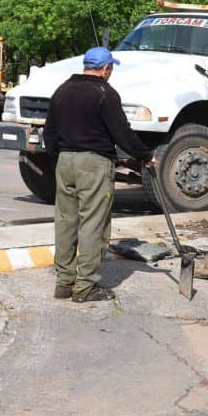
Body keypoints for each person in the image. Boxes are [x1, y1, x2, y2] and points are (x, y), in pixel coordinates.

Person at [43, 47, 155, 302]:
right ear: (105, 69)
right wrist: (145, 155)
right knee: (93, 224)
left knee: (65, 222)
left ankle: (64, 282)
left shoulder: (62, 90)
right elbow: (122, 133)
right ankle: (85, 287)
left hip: (65, 161)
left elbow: (49, 132)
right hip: (94, 164)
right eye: (111, 68)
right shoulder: (105, 93)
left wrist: (58, 160)